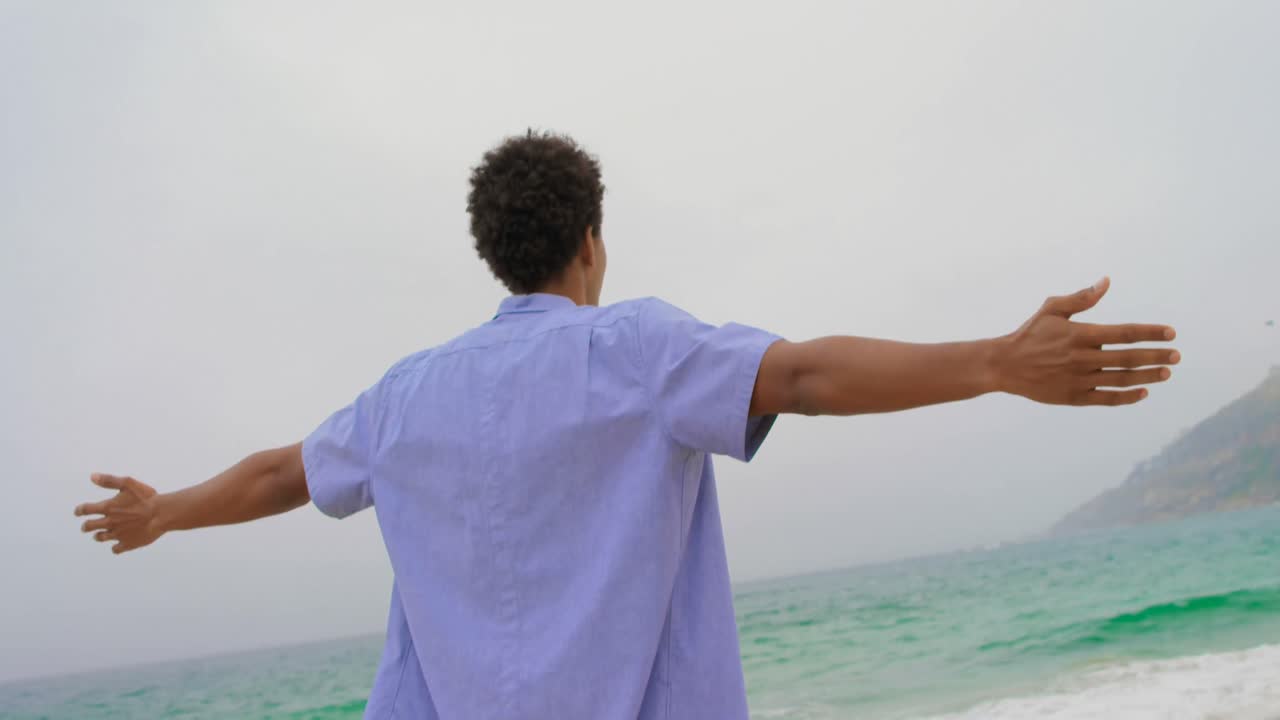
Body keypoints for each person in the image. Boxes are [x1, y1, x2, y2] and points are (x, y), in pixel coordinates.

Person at [74, 131, 1180, 719]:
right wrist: (990, 362)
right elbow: (797, 378)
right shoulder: (635, 351)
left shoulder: (401, 398)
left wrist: (165, 514)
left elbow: (280, 474)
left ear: (491, 250)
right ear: (590, 243)